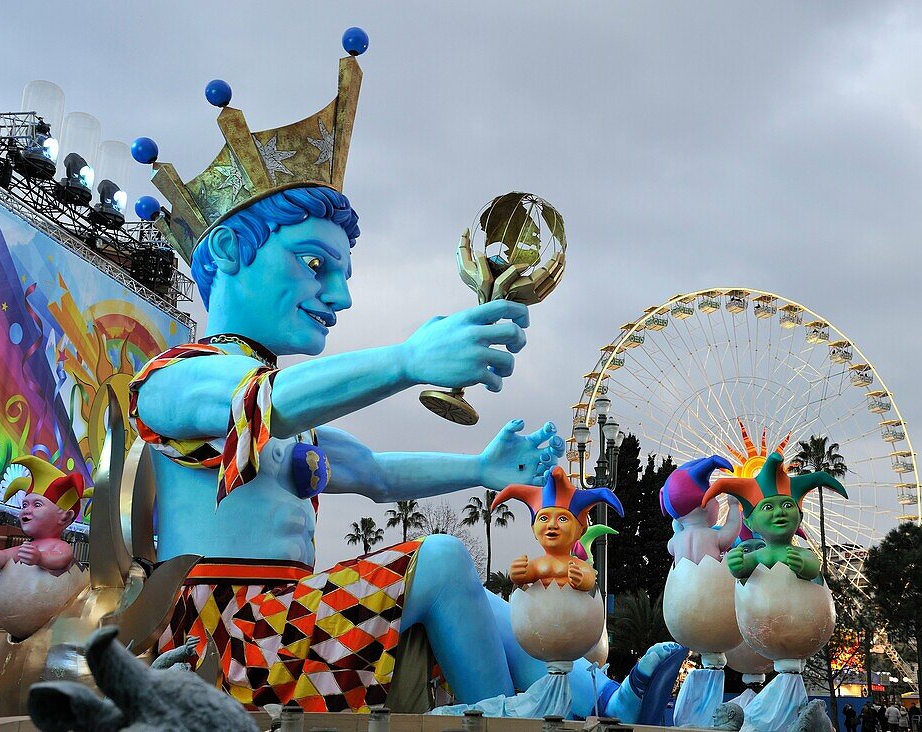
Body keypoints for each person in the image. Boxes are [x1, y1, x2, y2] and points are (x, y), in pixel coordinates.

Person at [127, 39, 677, 719]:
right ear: (234, 249)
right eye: (314, 265)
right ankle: (511, 720)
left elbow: (377, 472)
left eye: (344, 275)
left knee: (493, 599)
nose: (340, 297)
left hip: (289, 631)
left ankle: (582, 696)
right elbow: (257, 402)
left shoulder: (288, 417)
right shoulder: (170, 382)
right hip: (226, 645)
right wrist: (407, 361)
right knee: (443, 562)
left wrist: (481, 467)